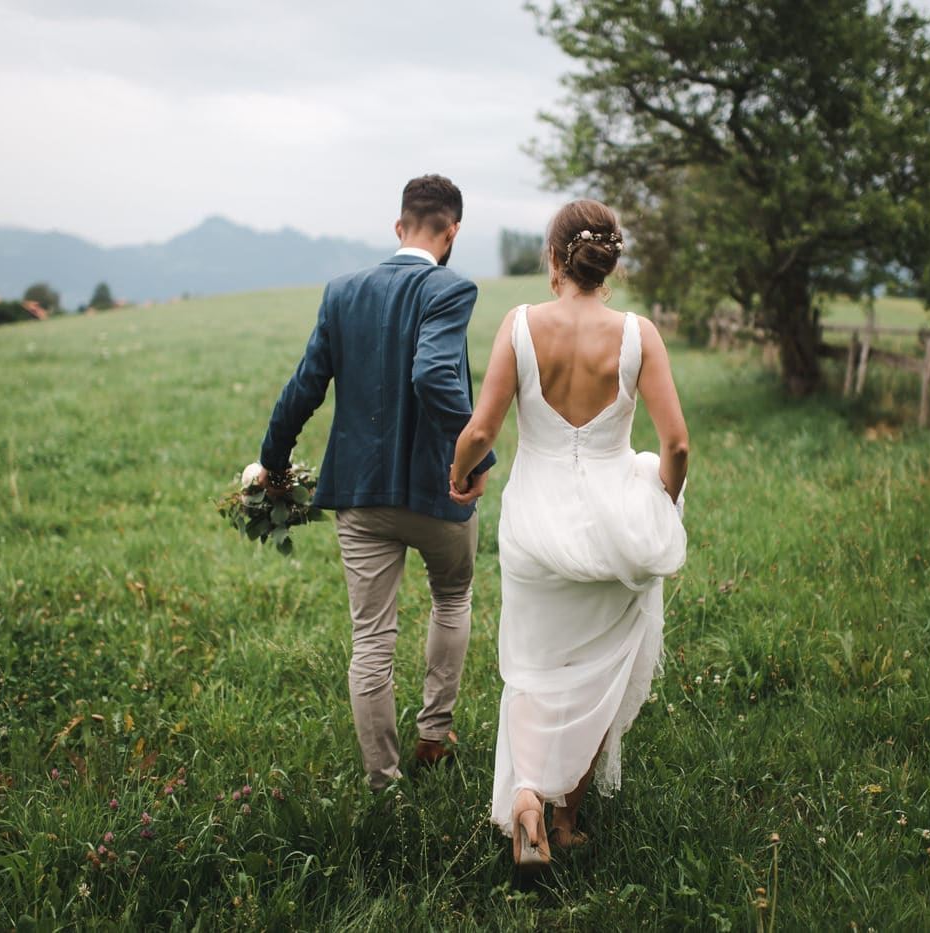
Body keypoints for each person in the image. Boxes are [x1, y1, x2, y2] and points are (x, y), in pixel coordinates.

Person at [448, 199, 689, 873]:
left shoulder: (521, 325)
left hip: (534, 526)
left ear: (554, 259)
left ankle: (525, 796)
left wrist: (462, 475)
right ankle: (568, 817)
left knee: (533, 668)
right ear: (610, 260)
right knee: (598, 674)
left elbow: (481, 431)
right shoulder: (639, 334)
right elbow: (676, 443)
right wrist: (660, 504)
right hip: (615, 532)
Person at [258, 174, 496, 791]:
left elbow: (304, 387)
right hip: (441, 490)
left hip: (360, 495)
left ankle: (383, 781)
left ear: (399, 227)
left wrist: (273, 462)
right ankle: (434, 738)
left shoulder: (342, 292)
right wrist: (480, 460)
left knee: (371, 639)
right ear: (453, 232)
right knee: (452, 599)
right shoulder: (451, 287)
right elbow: (434, 376)